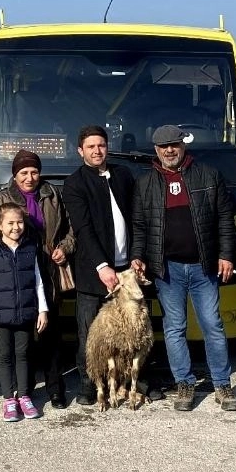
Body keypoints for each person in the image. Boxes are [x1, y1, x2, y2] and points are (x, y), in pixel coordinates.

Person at [131, 125, 236, 412]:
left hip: (204, 267)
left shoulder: (208, 175)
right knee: (174, 328)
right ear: (156, 150)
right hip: (168, 270)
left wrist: (226, 255)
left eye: (175, 145)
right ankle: (184, 383)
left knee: (213, 326)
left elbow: (224, 219)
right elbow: (140, 227)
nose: (170, 150)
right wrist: (137, 256)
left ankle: (222, 385)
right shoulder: (145, 184)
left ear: (183, 146)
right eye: (164, 146)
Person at [62, 126, 157, 406]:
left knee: (137, 332)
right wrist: (103, 267)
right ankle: (89, 385)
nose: (97, 151)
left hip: (128, 270)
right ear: (80, 151)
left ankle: (138, 381)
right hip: (95, 273)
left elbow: (137, 218)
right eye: (90, 147)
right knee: (91, 334)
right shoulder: (74, 183)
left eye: (101, 145)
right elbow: (83, 229)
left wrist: (137, 256)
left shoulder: (123, 175)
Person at [0, 150, 75, 409]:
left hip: (48, 270)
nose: (29, 177)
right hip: (15, 274)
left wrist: (64, 247)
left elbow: (70, 229)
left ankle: (55, 389)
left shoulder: (52, 194)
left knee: (51, 333)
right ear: (15, 175)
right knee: (24, 336)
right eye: (23, 172)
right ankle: (25, 389)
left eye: (34, 172)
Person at [0, 203, 50, 422]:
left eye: (19, 222)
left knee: (24, 354)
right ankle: (9, 399)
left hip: (26, 314)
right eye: (10, 223)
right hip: (0, 316)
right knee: (4, 356)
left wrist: (43, 310)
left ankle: (24, 396)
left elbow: (38, 281)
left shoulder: (31, 249)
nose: (16, 227)